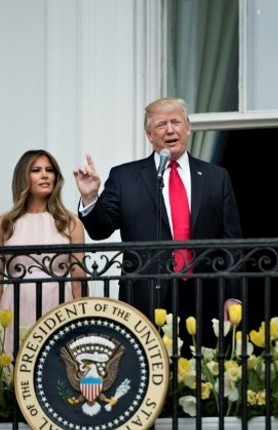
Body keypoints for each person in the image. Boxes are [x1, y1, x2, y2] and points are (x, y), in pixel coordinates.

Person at [72, 97, 243, 341]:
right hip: (145, 297)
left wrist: (233, 296)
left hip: (204, 295)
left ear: (188, 127)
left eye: (176, 122)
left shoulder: (216, 177)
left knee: (200, 373)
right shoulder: (124, 177)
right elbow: (101, 230)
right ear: (149, 134)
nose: (170, 129)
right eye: (161, 124)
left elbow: (231, 242)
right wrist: (90, 197)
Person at [0, 149, 85, 354]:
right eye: (36, 170)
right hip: (14, 307)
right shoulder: (2, 224)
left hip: (58, 304)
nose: (45, 175)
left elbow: (78, 279)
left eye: (50, 170)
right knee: (12, 370)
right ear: (24, 176)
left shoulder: (71, 222)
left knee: (56, 370)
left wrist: (82, 324)